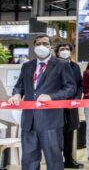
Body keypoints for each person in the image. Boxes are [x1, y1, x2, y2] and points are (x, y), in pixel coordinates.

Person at [8, 34, 76, 170]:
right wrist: (16, 94)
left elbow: (71, 88)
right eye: (38, 44)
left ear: (50, 47)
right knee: (29, 161)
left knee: (54, 161)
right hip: (29, 121)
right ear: (34, 47)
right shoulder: (27, 66)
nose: (41, 46)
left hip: (51, 121)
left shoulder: (61, 65)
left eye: (45, 44)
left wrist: (52, 97)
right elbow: (19, 86)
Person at [55, 42, 84, 169]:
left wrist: (76, 99)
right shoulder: (53, 66)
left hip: (72, 106)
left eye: (67, 49)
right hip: (57, 106)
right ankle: (56, 161)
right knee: (57, 134)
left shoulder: (75, 66)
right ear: (57, 52)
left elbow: (79, 85)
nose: (65, 51)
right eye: (62, 49)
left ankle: (69, 160)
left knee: (69, 133)